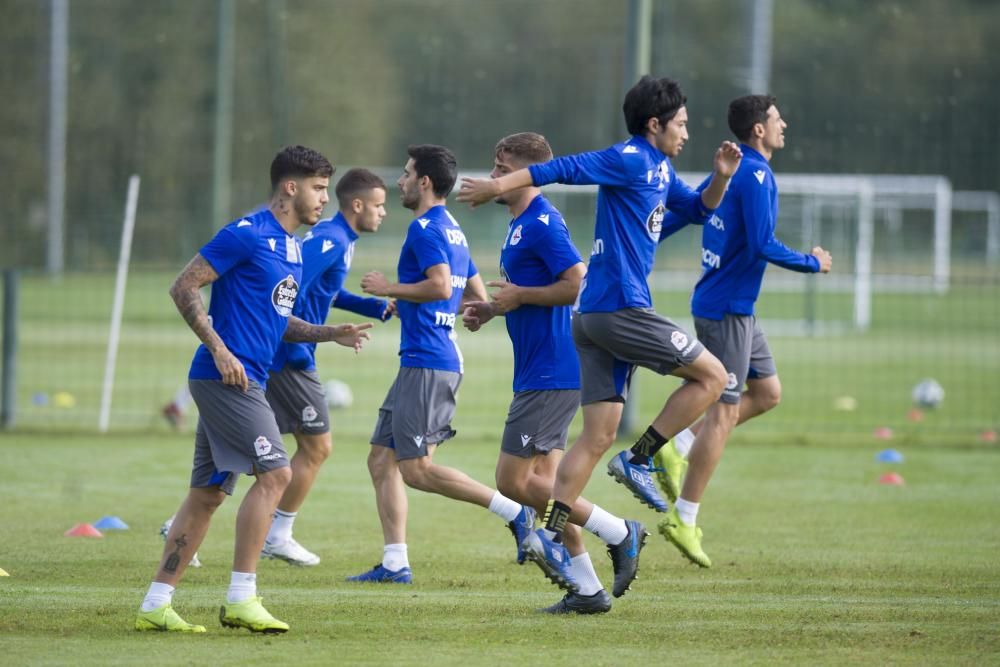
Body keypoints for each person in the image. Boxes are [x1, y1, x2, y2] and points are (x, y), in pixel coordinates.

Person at [458, 76, 741, 589]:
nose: (686, 133)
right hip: (619, 308)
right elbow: (566, 167)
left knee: (594, 438)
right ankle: (640, 460)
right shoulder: (631, 157)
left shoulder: (658, 168)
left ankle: (562, 538)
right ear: (654, 124)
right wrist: (500, 186)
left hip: (591, 323)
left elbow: (700, 209)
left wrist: (720, 177)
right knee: (716, 378)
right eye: (680, 123)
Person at [135, 146, 372, 634]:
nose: (325, 199)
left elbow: (279, 323)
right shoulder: (246, 234)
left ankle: (156, 605)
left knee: (206, 495)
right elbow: (184, 286)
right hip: (226, 378)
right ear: (290, 188)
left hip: (249, 378)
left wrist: (334, 333)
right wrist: (220, 350)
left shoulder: (289, 247)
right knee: (277, 474)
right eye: (318, 188)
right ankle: (242, 597)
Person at [462, 132, 648, 613]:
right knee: (549, 487)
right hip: (539, 367)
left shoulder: (542, 222)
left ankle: (619, 530)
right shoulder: (519, 223)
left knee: (511, 480)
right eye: (496, 166)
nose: (496, 174)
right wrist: (493, 308)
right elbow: (527, 291)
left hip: (554, 368)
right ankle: (587, 590)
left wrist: (520, 297)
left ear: (527, 172)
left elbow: (576, 283)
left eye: (503, 167)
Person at [650, 95, 832, 567]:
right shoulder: (754, 175)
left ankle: (679, 445)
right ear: (758, 129)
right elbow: (762, 243)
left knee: (767, 392)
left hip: (736, 309)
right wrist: (813, 263)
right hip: (726, 310)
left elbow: (698, 215)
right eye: (776, 119)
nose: (783, 124)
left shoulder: (734, 170)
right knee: (724, 413)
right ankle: (684, 519)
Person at [345, 144, 532, 585]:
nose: (401, 181)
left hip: (429, 362)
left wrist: (387, 286)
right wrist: (458, 307)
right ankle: (395, 563)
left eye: (408, 174)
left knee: (417, 469)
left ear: (425, 182)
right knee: (380, 460)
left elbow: (439, 284)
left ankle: (515, 513)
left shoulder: (425, 229)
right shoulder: (454, 231)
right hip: (424, 359)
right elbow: (474, 295)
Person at [261, 168, 395, 567]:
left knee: (246, 443)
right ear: (357, 206)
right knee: (317, 446)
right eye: (378, 205)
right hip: (289, 355)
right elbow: (290, 286)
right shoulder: (331, 239)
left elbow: (325, 290)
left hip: (284, 352)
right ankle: (278, 534)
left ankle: (180, 524)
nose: (383, 213)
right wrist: (324, 333)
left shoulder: (341, 239)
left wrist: (376, 306)